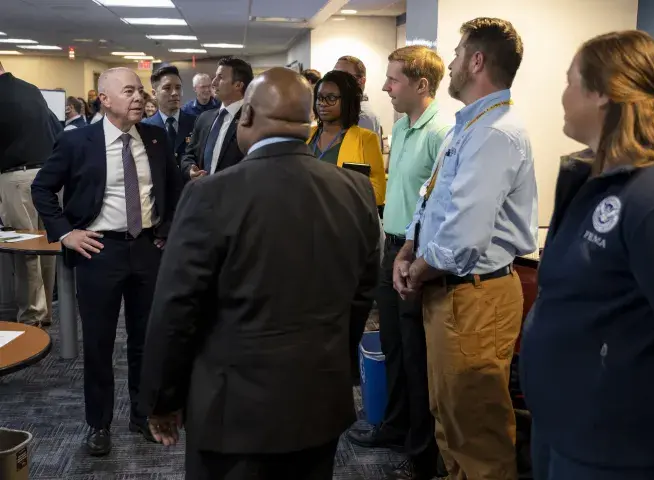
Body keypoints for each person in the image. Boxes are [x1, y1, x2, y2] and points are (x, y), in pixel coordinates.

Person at [139, 67, 380, 480]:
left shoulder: (210, 194)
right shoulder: (355, 191)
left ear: (246, 116)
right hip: (318, 402)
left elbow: (177, 306)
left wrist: (161, 398)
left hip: (233, 413)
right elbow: (361, 295)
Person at [520, 30, 654, 480]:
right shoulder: (597, 180)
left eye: (570, 80)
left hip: (626, 454)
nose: (563, 94)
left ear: (603, 93)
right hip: (569, 438)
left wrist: (621, 378)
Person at [396, 18, 538, 480]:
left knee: (476, 434)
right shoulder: (468, 126)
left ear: (477, 61)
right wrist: (408, 248)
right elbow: (434, 200)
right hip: (451, 294)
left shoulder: (495, 132)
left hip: (475, 296)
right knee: (449, 420)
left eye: (457, 54)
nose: (451, 64)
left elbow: (465, 235)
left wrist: (416, 270)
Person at [31, 67, 182, 456]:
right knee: (98, 344)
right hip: (99, 251)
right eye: (129, 91)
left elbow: (173, 189)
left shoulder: (156, 137)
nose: (139, 98)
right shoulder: (77, 141)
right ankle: (98, 425)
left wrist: (166, 229)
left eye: (140, 91)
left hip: (148, 249)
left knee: (145, 341)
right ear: (105, 99)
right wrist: (66, 232)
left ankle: (141, 414)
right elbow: (42, 188)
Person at [346, 45, 449, 480]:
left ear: (421, 85)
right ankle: (395, 426)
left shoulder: (441, 131)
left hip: (418, 255)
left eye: (394, 79)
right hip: (393, 248)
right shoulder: (405, 125)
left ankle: (422, 449)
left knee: (416, 355)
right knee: (392, 345)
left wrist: (416, 257)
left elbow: (442, 207)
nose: (385, 87)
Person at [0, 62, 59, 327]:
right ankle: (45, 310)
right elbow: (55, 129)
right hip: (47, 174)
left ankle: (31, 315)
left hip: (15, 178)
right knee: (46, 246)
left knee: (24, 249)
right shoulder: (31, 90)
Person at [307, 70, 386, 207]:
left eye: (331, 98)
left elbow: (378, 194)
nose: (322, 103)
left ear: (348, 101)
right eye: (319, 97)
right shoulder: (306, 135)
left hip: (341, 219)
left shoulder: (366, 139)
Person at [180, 57, 251, 182]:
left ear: (238, 85)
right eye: (215, 77)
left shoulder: (252, 120)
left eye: (220, 77)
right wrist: (190, 168)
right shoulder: (204, 118)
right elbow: (189, 154)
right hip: (202, 194)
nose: (213, 83)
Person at [142, 64, 197, 163]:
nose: (175, 93)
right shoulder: (145, 126)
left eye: (178, 87)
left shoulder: (196, 123)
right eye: (167, 88)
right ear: (154, 94)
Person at [334, 55, 382, 137]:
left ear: (361, 81)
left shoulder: (362, 117)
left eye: (343, 76)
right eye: (334, 74)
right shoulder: (346, 109)